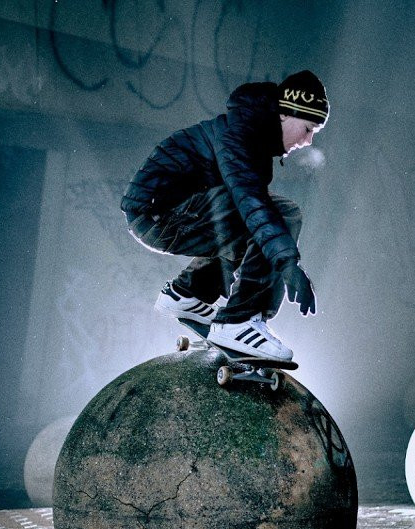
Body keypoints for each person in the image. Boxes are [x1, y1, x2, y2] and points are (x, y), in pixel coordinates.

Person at [122, 70, 328, 361]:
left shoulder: (251, 136)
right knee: (281, 214)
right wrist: (288, 265)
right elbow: (252, 205)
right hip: (160, 213)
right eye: (308, 128)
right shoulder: (240, 136)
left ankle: (187, 293)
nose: (307, 141)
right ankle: (238, 321)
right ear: (284, 114)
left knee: (255, 228)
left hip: (163, 211)